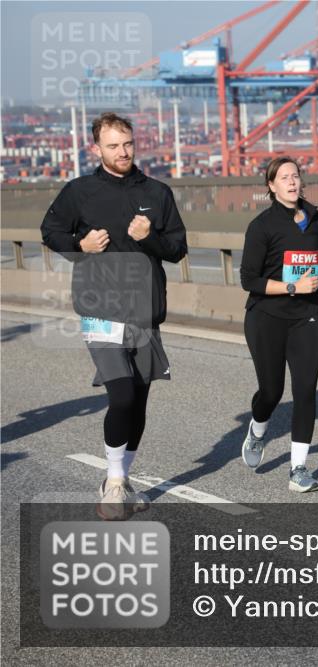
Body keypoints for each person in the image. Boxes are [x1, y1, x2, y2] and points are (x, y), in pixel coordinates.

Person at [40, 112, 188, 519]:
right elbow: (49, 232)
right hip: (99, 307)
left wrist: (151, 238)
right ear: (97, 148)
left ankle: (119, 478)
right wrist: (79, 244)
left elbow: (177, 248)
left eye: (127, 144)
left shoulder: (157, 192)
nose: (122, 152)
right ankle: (115, 481)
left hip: (144, 311)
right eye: (113, 146)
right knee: (120, 394)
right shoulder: (79, 191)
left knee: (137, 403)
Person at [239, 157, 318, 492]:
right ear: (271, 186)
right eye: (284, 178)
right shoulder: (262, 226)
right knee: (271, 391)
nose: (292, 182)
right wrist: (292, 287)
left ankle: (299, 469)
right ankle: (257, 429)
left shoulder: (316, 218)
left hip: (305, 317)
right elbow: (248, 279)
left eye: (295, 176)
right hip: (266, 317)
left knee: (305, 390)